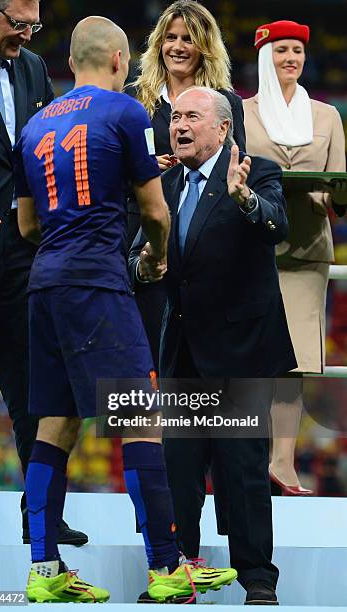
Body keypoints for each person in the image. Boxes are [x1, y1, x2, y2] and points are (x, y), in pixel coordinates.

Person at [15, 16, 237, 604]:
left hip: (44, 285)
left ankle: (44, 569)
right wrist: (154, 259)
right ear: (119, 59)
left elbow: (26, 224)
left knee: (54, 423)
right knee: (140, 416)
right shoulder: (127, 114)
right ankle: (166, 566)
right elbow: (157, 213)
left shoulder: (34, 124)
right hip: (99, 282)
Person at [129, 86, 297, 605]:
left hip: (241, 349)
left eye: (192, 117)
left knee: (243, 469)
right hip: (182, 347)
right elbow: (141, 252)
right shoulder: (164, 181)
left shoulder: (257, 170)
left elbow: (276, 225)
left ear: (223, 127)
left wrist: (243, 196)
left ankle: (258, 580)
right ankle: (178, 573)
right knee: (178, 469)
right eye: (175, 116)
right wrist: (143, 264)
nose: (179, 125)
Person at [0, 0, 86, 544]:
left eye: (35, 25)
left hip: (25, 261)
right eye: (19, 24)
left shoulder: (32, 68)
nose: (28, 35)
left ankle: (43, 518)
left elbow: (49, 144)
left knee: (37, 396)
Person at [244, 20, 347, 494]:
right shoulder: (239, 113)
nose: (292, 58)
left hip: (306, 252)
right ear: (266, 55)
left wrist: (329, 198)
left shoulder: (327, 117)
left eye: (298, 51)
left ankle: (281, 465)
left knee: (296, 361)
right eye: (282, 49)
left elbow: (338, 186)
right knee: (247, 360)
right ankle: (243, 462)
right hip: (250, 249)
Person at [127, 0, 246, 369]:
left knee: (203, 364)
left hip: (204, 242)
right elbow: (114, 167)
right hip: (146, 237)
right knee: (147, 366)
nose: (177, 47)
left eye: (188, 39)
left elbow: (238, 166)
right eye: (170, 37)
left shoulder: (227, 103)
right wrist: (145, 171)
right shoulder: (137, 100)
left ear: (204, 47)